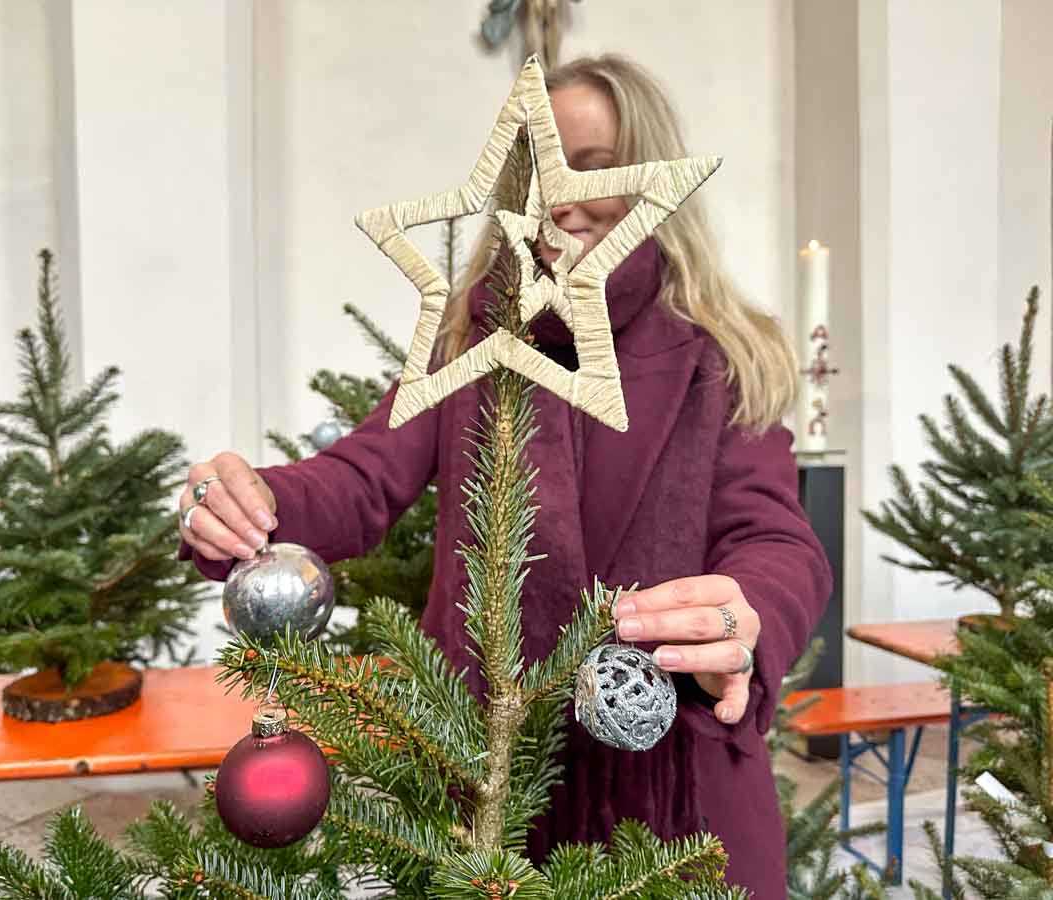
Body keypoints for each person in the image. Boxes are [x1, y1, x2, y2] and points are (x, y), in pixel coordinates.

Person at [177, 54, 829, 899]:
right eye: (538, 172)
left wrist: (748, 613)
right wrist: (248, 500)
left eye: (593, 167)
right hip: (488, 798)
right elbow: (360, 479)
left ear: (653, 180)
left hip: (678, 806)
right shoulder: (469, 346)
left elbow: (776, 538)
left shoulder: (720, 355)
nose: (561, 198)